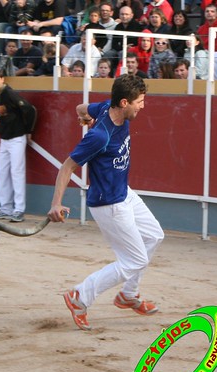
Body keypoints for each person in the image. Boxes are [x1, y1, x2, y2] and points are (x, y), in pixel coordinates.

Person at [47, 74, 164, 331]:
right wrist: (56, 203)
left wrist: (84, 116)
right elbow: (67, 167)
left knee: (154, 235)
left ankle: (128, 295)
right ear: (124, 102)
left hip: (123, 193)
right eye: (139, 102)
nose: (142, 106)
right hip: (108, 203)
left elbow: (80, 108)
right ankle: (80, 296)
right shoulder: (99, 136)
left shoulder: (104, 107)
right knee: (134, 261)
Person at [0, 67, 37, 222]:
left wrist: (28, 130)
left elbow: (29, 109)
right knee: (3, 173)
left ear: (3, 80)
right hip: (6, 137)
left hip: (16, 137)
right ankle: (6, 208)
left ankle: (18, 209)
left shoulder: (8, 93)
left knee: (16, 172)